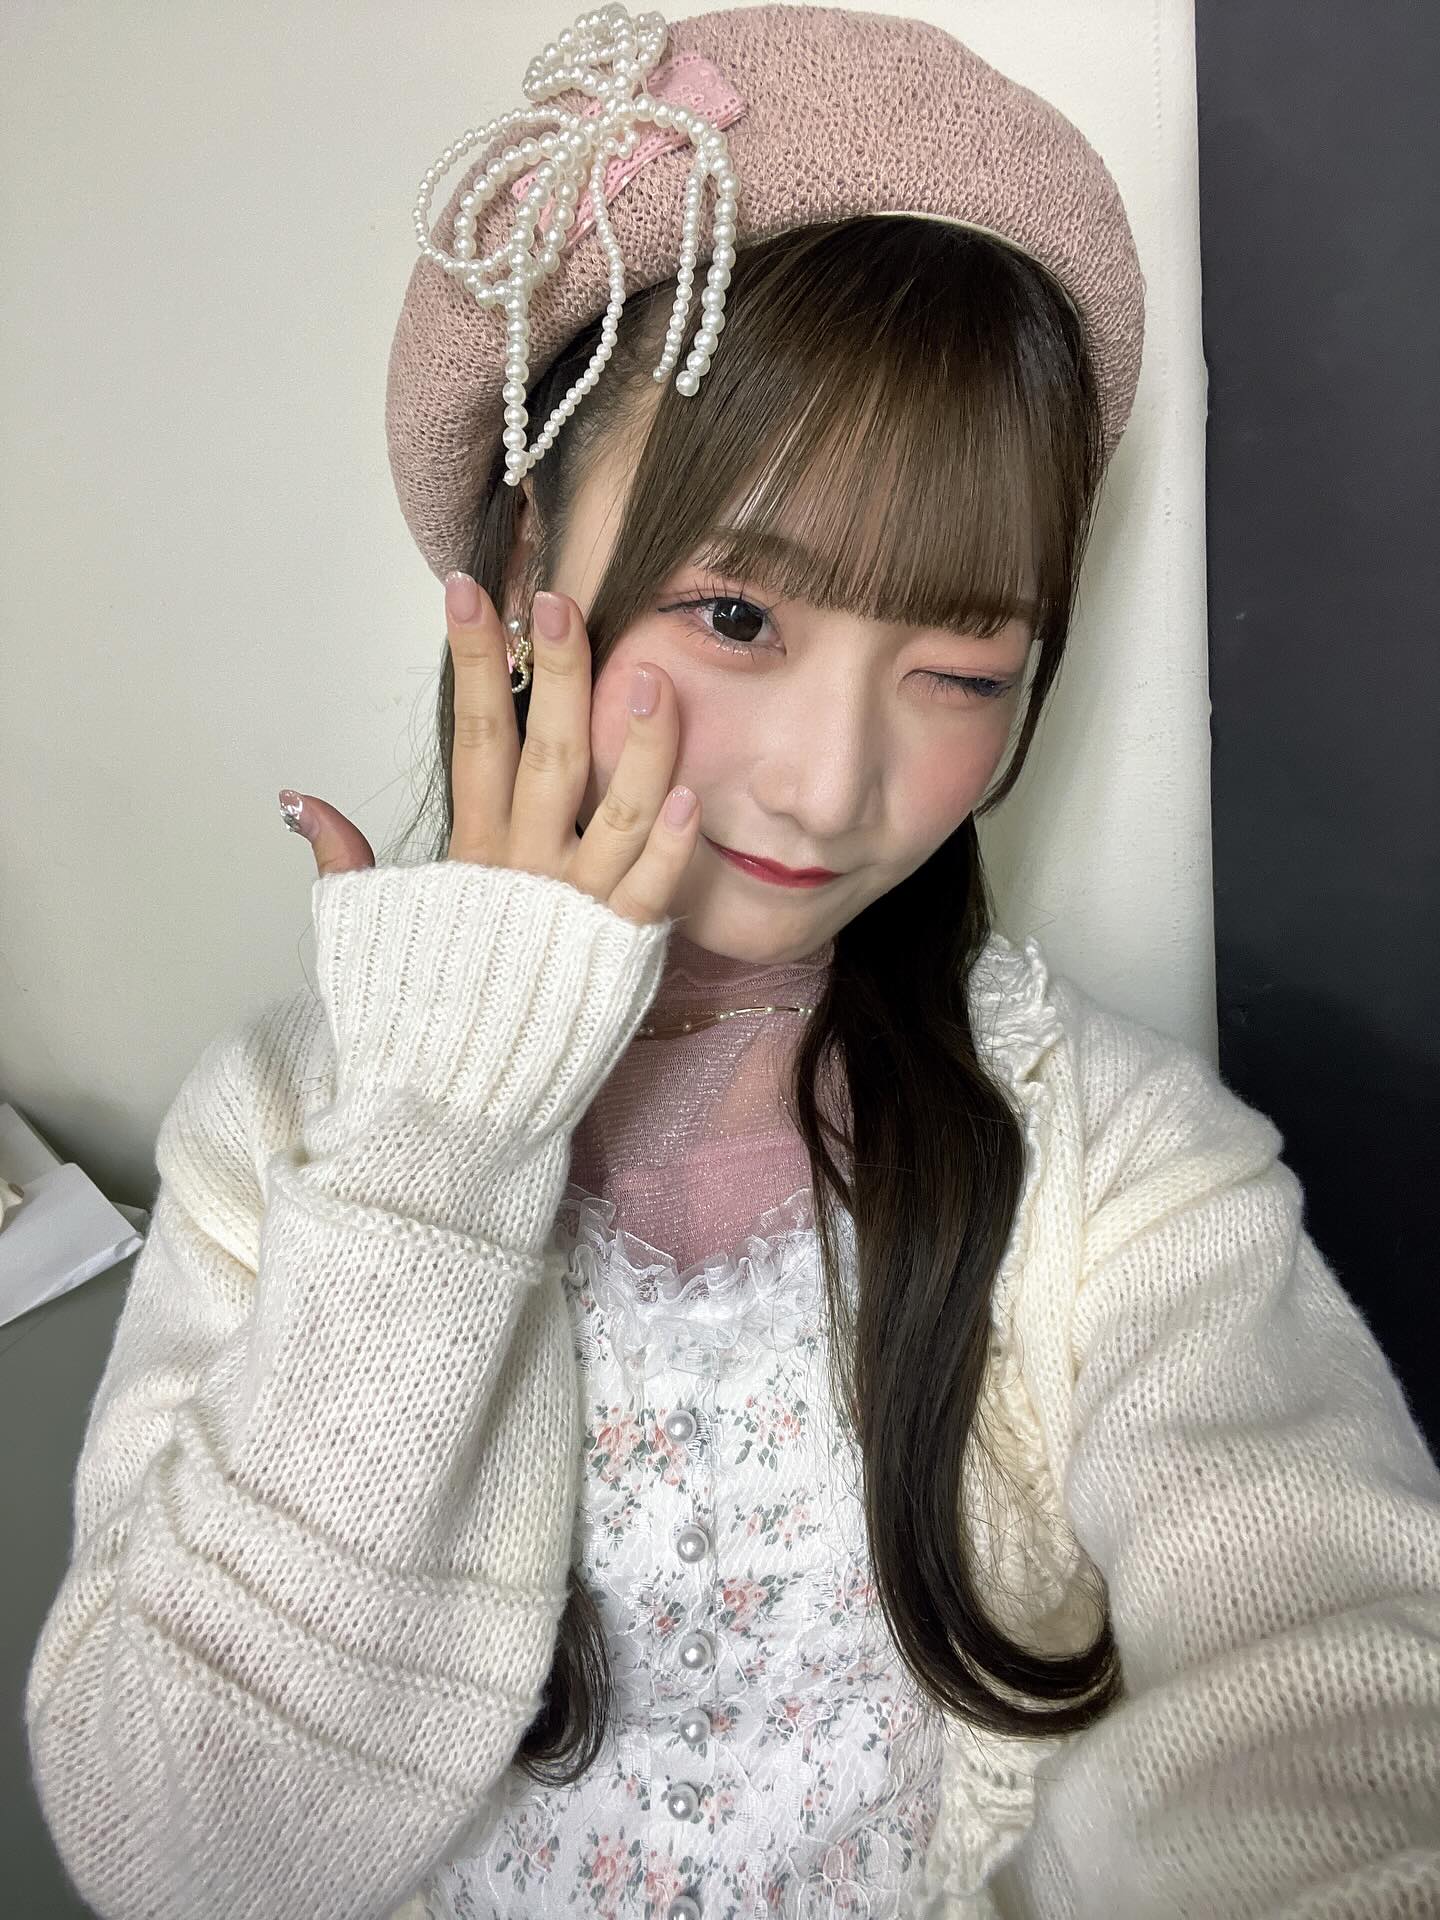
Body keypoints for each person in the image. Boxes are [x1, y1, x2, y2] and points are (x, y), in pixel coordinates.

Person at [25, 6, 1440, 1918]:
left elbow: (1337, 1688)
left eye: (963, 669)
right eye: (739, 615)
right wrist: (444, 1136)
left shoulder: (1111, 1162)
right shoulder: (281, 1130)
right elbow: (177, 1852)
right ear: (525, 564)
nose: (834, 784)